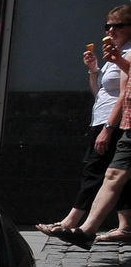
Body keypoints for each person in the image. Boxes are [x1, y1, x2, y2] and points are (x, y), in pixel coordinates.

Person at [45, 41, 131, 249]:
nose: (110, 30)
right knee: (112, 175)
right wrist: (98, 68)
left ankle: (77, 223)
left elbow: (119, 95)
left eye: (117, 25)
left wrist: (109, 127)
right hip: (127, 124)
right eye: (108, 26)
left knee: (100, 173)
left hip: (114, 123)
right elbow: (101, 93)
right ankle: (87, 230)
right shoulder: (122, 56)